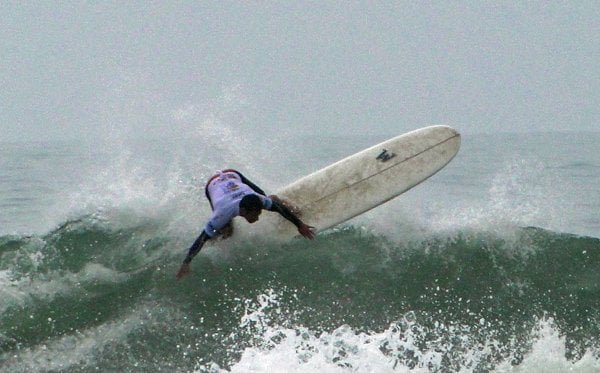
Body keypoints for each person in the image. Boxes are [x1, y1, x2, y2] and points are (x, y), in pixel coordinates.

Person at [176, 169, 314, 279]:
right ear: (243, 211)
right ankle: (217, 237)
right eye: (255, 215)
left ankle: (275, 199)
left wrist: (300, 225)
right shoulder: (223, 214)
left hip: (232, 175)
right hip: (212, 185)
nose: (258, 218)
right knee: (226, 231)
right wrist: (186, 262)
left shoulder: (259, 200)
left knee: (269, 199)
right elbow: (201, 238)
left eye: (259, 213)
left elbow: (278, 209)